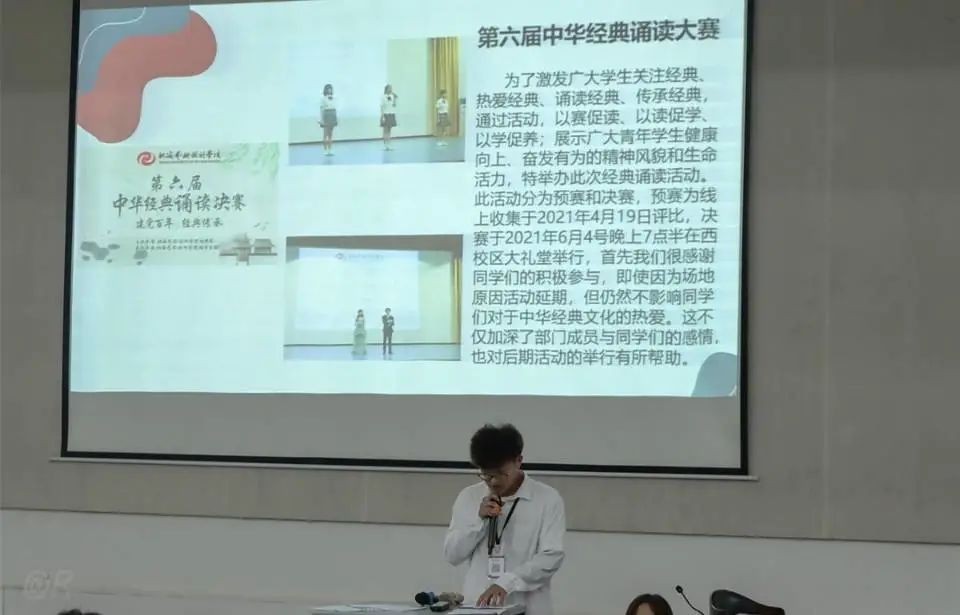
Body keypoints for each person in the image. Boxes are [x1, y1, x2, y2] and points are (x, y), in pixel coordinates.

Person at [443, 424, 565, 615]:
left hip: (529, 606)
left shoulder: (547, 499)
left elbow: (551, 556)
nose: (493, 481)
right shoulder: (469, 497)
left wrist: (507, 582)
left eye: (500, 473)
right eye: (486, 474)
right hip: (477, 606)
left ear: (519, 461)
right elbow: (452, 555)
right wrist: (479, 522)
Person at [318, 83, 337, 156]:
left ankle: (330, 150)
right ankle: (325, 150)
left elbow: (335, 107)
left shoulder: (333, 98)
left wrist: (336, 117)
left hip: (332, 114)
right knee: (325, 134)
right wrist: (321, 119)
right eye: (328, 89)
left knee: (330, 135)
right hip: (326, 115)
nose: (330, 90)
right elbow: (321, 109)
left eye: (330, 89)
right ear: (326, 90)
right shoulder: (323, 98)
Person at [380, 84, 398, 150]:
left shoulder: (392, 96)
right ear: (386, 89)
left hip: (391, 113)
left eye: (391, 88)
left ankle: (389, 144)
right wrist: (382, 116)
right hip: (386, 114)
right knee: (385, 130)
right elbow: (382, 106)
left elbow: (394, 105)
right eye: (389, 88)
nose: (391, 89)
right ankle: (385, 145)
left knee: (389, 130)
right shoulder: (383, 96)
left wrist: (395, 98)